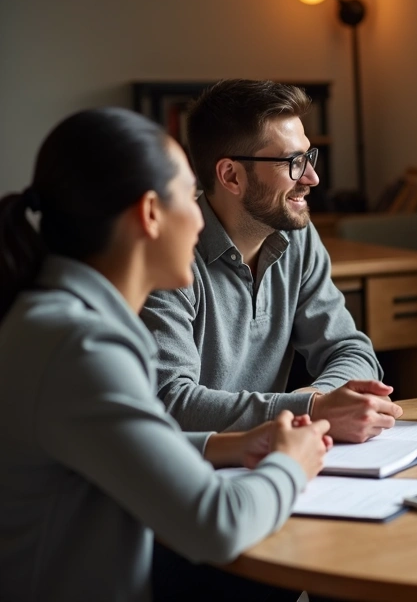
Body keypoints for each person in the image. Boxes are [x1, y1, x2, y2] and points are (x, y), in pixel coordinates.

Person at [0, 107, 332, 601]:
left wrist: (228, 445)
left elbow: (112, 449)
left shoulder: (60, 322)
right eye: (188, 197)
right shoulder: (80, 346)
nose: (201, 218)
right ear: (151, 213)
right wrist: (292, 461)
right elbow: (216, 523)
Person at [141, 79, 402, 443]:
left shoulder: (297, 235)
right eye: (293, 162)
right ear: (231, 175)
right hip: (195, 472)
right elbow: (171, 402)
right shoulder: (169, 255)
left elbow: (350, 349)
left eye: (308, 156)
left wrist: (315, 401)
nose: (312, 177)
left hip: (276, 455)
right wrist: (308, 412)